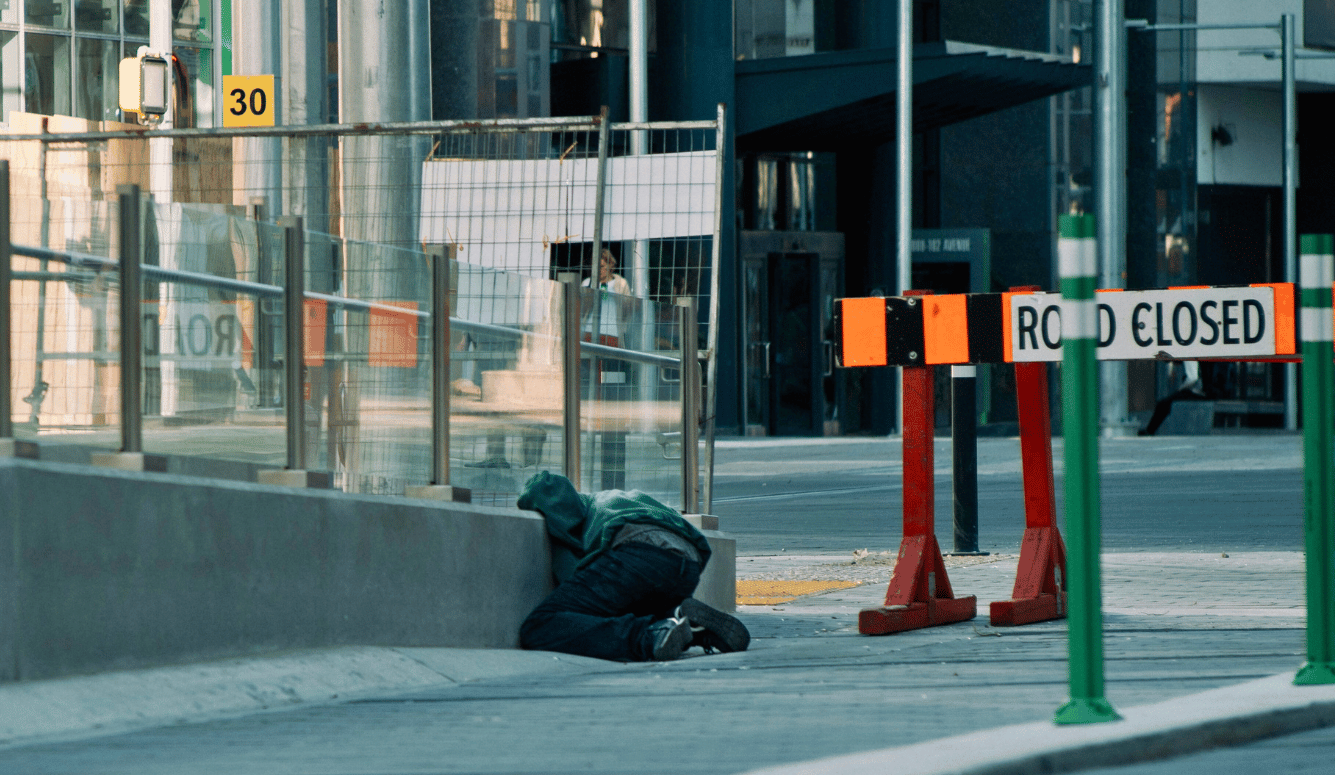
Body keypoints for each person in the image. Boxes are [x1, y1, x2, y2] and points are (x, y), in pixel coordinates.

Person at [517, 471, 750, 662]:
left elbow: (573, 581)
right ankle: (679, 619)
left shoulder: (573, 524)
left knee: (540, 625)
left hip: (637, 554)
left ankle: (649, 638)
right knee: (627, 601)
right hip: (687, 564)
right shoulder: (612, 498)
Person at [1139, 360, 1208, 436]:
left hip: (1196, 392)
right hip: (1196, 392)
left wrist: (1181, 389)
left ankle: (1150, 430)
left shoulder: (1189, 358)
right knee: (1165, 403)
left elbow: (1192, 378)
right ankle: (1150, 430)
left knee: (1163, 404)